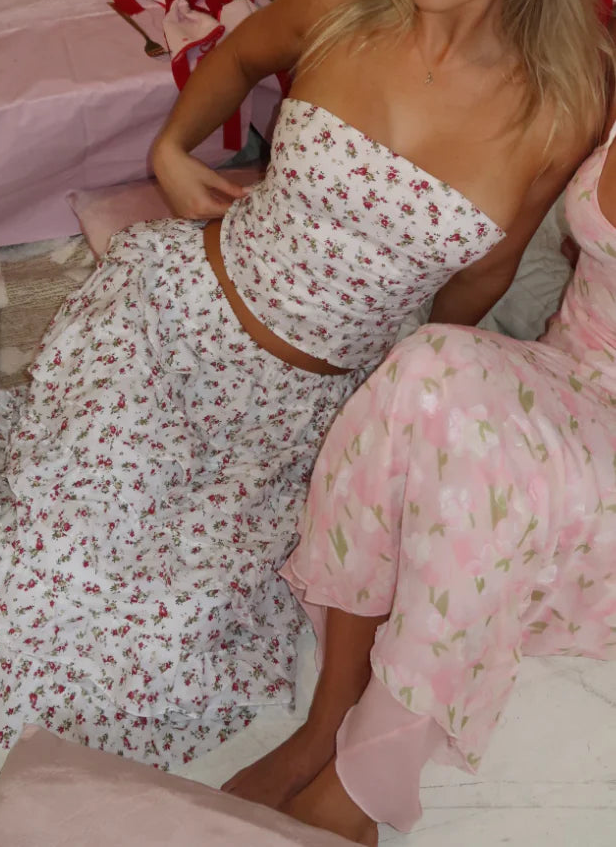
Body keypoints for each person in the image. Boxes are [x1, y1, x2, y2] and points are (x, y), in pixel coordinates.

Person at [0, 0, 611, 767]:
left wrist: (408, 400)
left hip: (302, 414)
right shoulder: (337, 8)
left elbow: (489, 271)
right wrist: (171, 152)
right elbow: (234, 61)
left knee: (166, 643)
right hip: (168, 325)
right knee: (46, 570)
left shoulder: (562, 105)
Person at [223, 112, 616, 844]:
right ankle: (329, 719)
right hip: (572, 371)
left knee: (488, 474)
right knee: (430, 363)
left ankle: (362, 784)